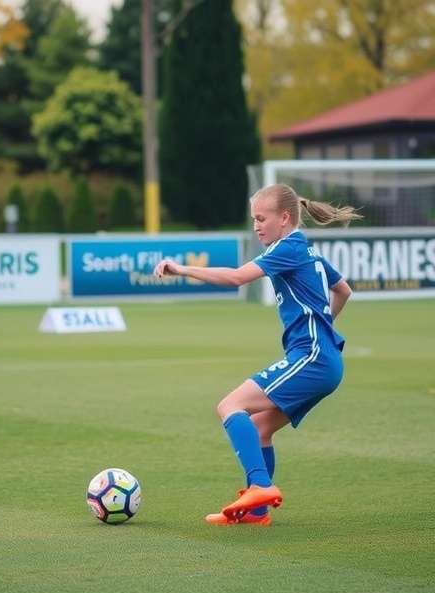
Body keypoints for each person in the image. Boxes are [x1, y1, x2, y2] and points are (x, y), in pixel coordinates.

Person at [153, 183, 361, 526]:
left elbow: (237, 278)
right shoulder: (308, 253)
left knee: (229, 406)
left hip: (312, 357)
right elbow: (344, 290)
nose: (256, 226)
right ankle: (257, 511)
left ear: (284, 218)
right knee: (259, 428)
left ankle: (261, 485)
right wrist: (325, 328)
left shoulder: (287, 248)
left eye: (261, 218)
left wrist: (183, 269)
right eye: (253, 220)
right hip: (324, 360)